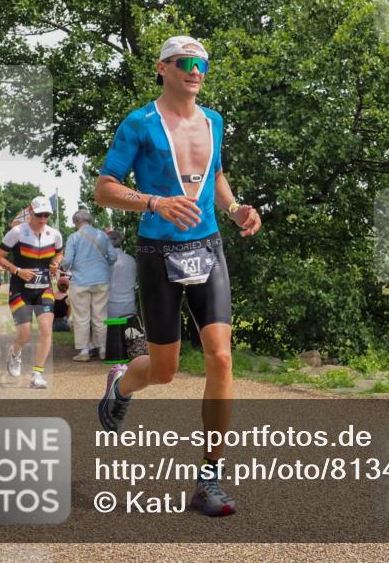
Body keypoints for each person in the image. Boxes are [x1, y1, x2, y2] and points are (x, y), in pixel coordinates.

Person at [94, 35, 261, 517]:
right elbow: (104, 189)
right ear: (163, 68)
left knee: (221, 358)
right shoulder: (139, 123)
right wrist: (154, 201)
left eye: (202, 64)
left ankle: (209, 478)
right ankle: (123, 383)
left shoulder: (215, 121)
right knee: (164, 371)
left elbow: (216, 175)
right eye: (186, 63)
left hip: (207, 248)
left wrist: (233, 208)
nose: (196, 70)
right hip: (157, 252)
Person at [0, 196, 64, 389]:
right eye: (39, 214)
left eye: (46, 215)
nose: (43, 219)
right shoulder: (17, 232)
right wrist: (17, 271)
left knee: (45, 327)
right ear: (30, 212)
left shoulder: (54, 234)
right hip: (20, 289)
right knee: (24, 334)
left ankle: (37, 374)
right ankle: (15, 354)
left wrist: (55, 263)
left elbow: (60, 252)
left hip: (44, 288)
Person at [61, 209, 117, 361]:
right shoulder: (103, 236)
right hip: (101, 280)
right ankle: (103, 349)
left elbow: (66, 262)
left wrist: (63, 266)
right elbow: (113, 257)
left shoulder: (73, 237)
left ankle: (84, 351)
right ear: (90, 220)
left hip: (80, 282)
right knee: (100, 316)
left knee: (81, 318)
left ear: (76, 222)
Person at [105, 229, 137, 321]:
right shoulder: (131, 260)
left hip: (110, 310)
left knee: (111, 333)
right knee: (126, 333)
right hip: (129, 308)